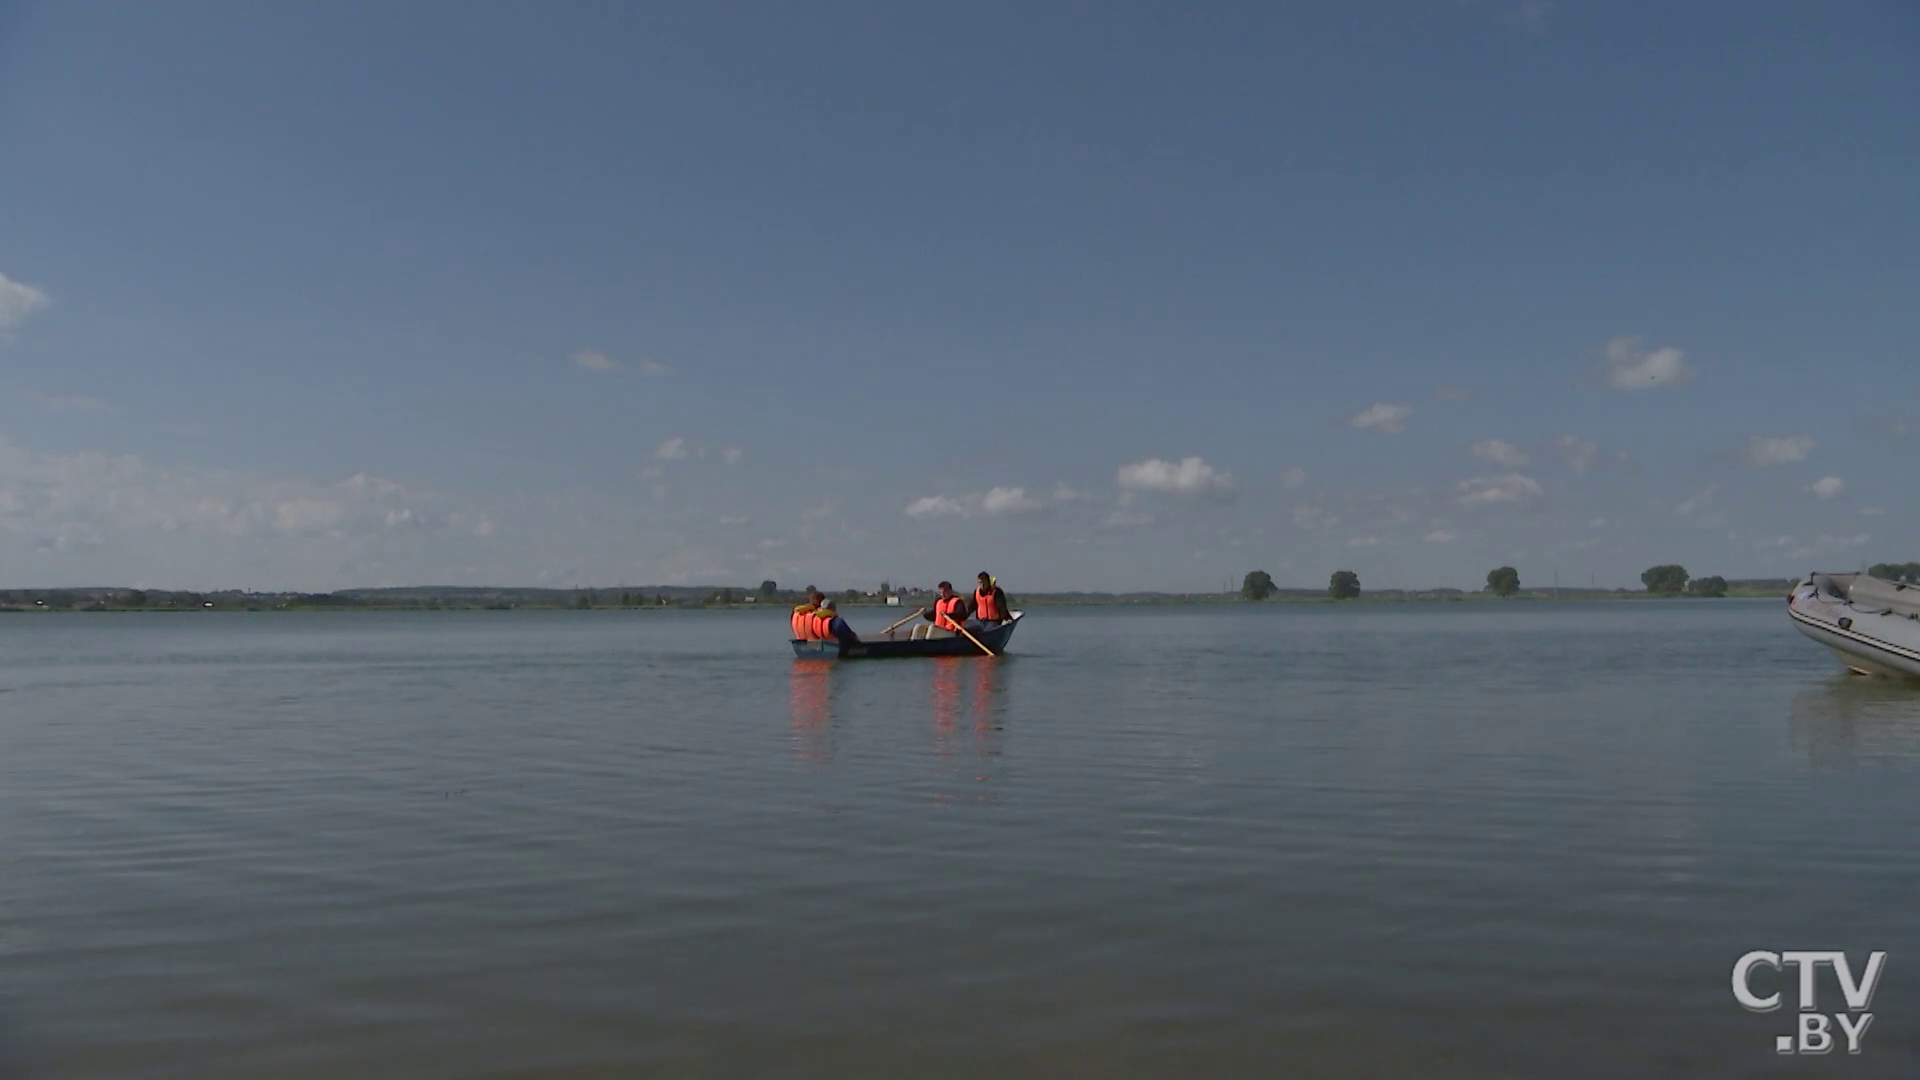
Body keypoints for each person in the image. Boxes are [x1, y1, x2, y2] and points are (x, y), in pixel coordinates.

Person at [793, 587, 859, 645]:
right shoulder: (834, 621)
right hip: (832, 646)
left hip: (805, 643)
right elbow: (848, 634)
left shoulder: (800, 615)